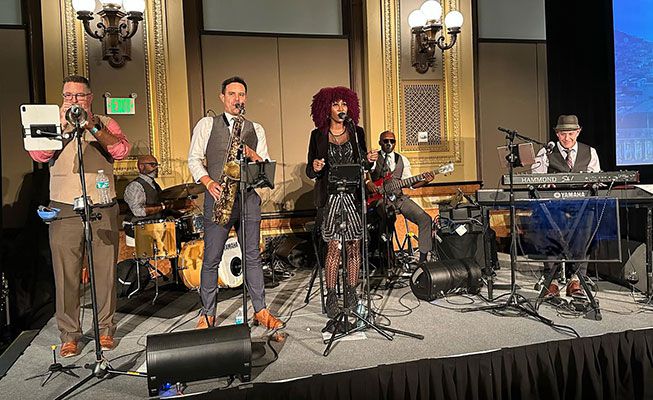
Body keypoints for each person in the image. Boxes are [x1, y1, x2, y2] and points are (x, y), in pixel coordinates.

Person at [27, 75, 131, 357]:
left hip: (101, 205)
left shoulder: (105, 122)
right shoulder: (50, 123)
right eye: (68, 96)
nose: (74, 100)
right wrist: (62, 125)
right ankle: (69, 335)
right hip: (64, 207)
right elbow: (39, 155)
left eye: (79, 96)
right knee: (66, 275)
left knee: (105, 272)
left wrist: (91, 125)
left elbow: (121, 150)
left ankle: (105, 329)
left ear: (90, 97)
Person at [188, 76, 283, 329]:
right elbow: (194, 159)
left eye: (241, 94)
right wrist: (208, 182)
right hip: (218, 197)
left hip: (247, 198)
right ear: (222, 97)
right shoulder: (207, 124)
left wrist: (252, 154)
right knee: (212, 258)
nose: (237, 99)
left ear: (246, 98)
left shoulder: (256, 129)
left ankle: (261, 311)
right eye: (232, 94)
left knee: (252, 256)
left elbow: (265, 165)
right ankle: (207, 314)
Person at [306, 86, 378, 318]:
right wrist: (315, 167)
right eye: (335, 104)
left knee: (354, 245)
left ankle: (351, 290)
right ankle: (331, 295)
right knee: (334, 247)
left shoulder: (357, 132)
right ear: (326, 109)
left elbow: (363, 165)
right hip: (330, 198)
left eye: (344, 104)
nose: (340, 108)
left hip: (352, 197)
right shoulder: (317, 135)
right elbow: (310, 170)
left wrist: (369, 160)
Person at [531, 114, 601, 298]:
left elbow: (597, 179)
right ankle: (552, 280)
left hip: (581, 204)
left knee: (587, 223)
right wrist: (544, 183)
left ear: (578, 132)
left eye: (570, 134)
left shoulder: (590, 152)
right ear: (557, 134)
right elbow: (535, 178)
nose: (567, 138)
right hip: (554, 204)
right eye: (562, 134)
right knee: (548, 224)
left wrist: (591, 182)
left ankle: (576, 279)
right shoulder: (545, 152)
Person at [367, 130, 434, 264]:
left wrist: (425, 181)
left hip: (399, 198)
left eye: (392, 141)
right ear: (380, 142)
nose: (389, 144)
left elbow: (411, 184)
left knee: (425, 219)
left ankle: (423, 259)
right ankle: (387, 257)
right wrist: (368, 182)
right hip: (379, 198)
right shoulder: (374, 158)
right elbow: (364, 173)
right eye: (386, 141)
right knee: (389, 214)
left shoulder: (402, 160)